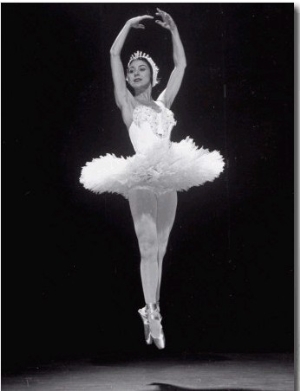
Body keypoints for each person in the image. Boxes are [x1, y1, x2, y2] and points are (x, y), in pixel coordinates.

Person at [80, 8, 225, 350]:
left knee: (160, 251)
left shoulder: (163, 104)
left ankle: (149, 309)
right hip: (142, 175)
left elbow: (181, 67)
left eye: (140, 68)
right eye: (132, 70)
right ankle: (155, 313)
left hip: (169, 173)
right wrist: (127, 26)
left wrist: (174, 30)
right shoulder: (127, 103)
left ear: (152, 75)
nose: (134, 72)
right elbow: (114, 55)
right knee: (147, 249)